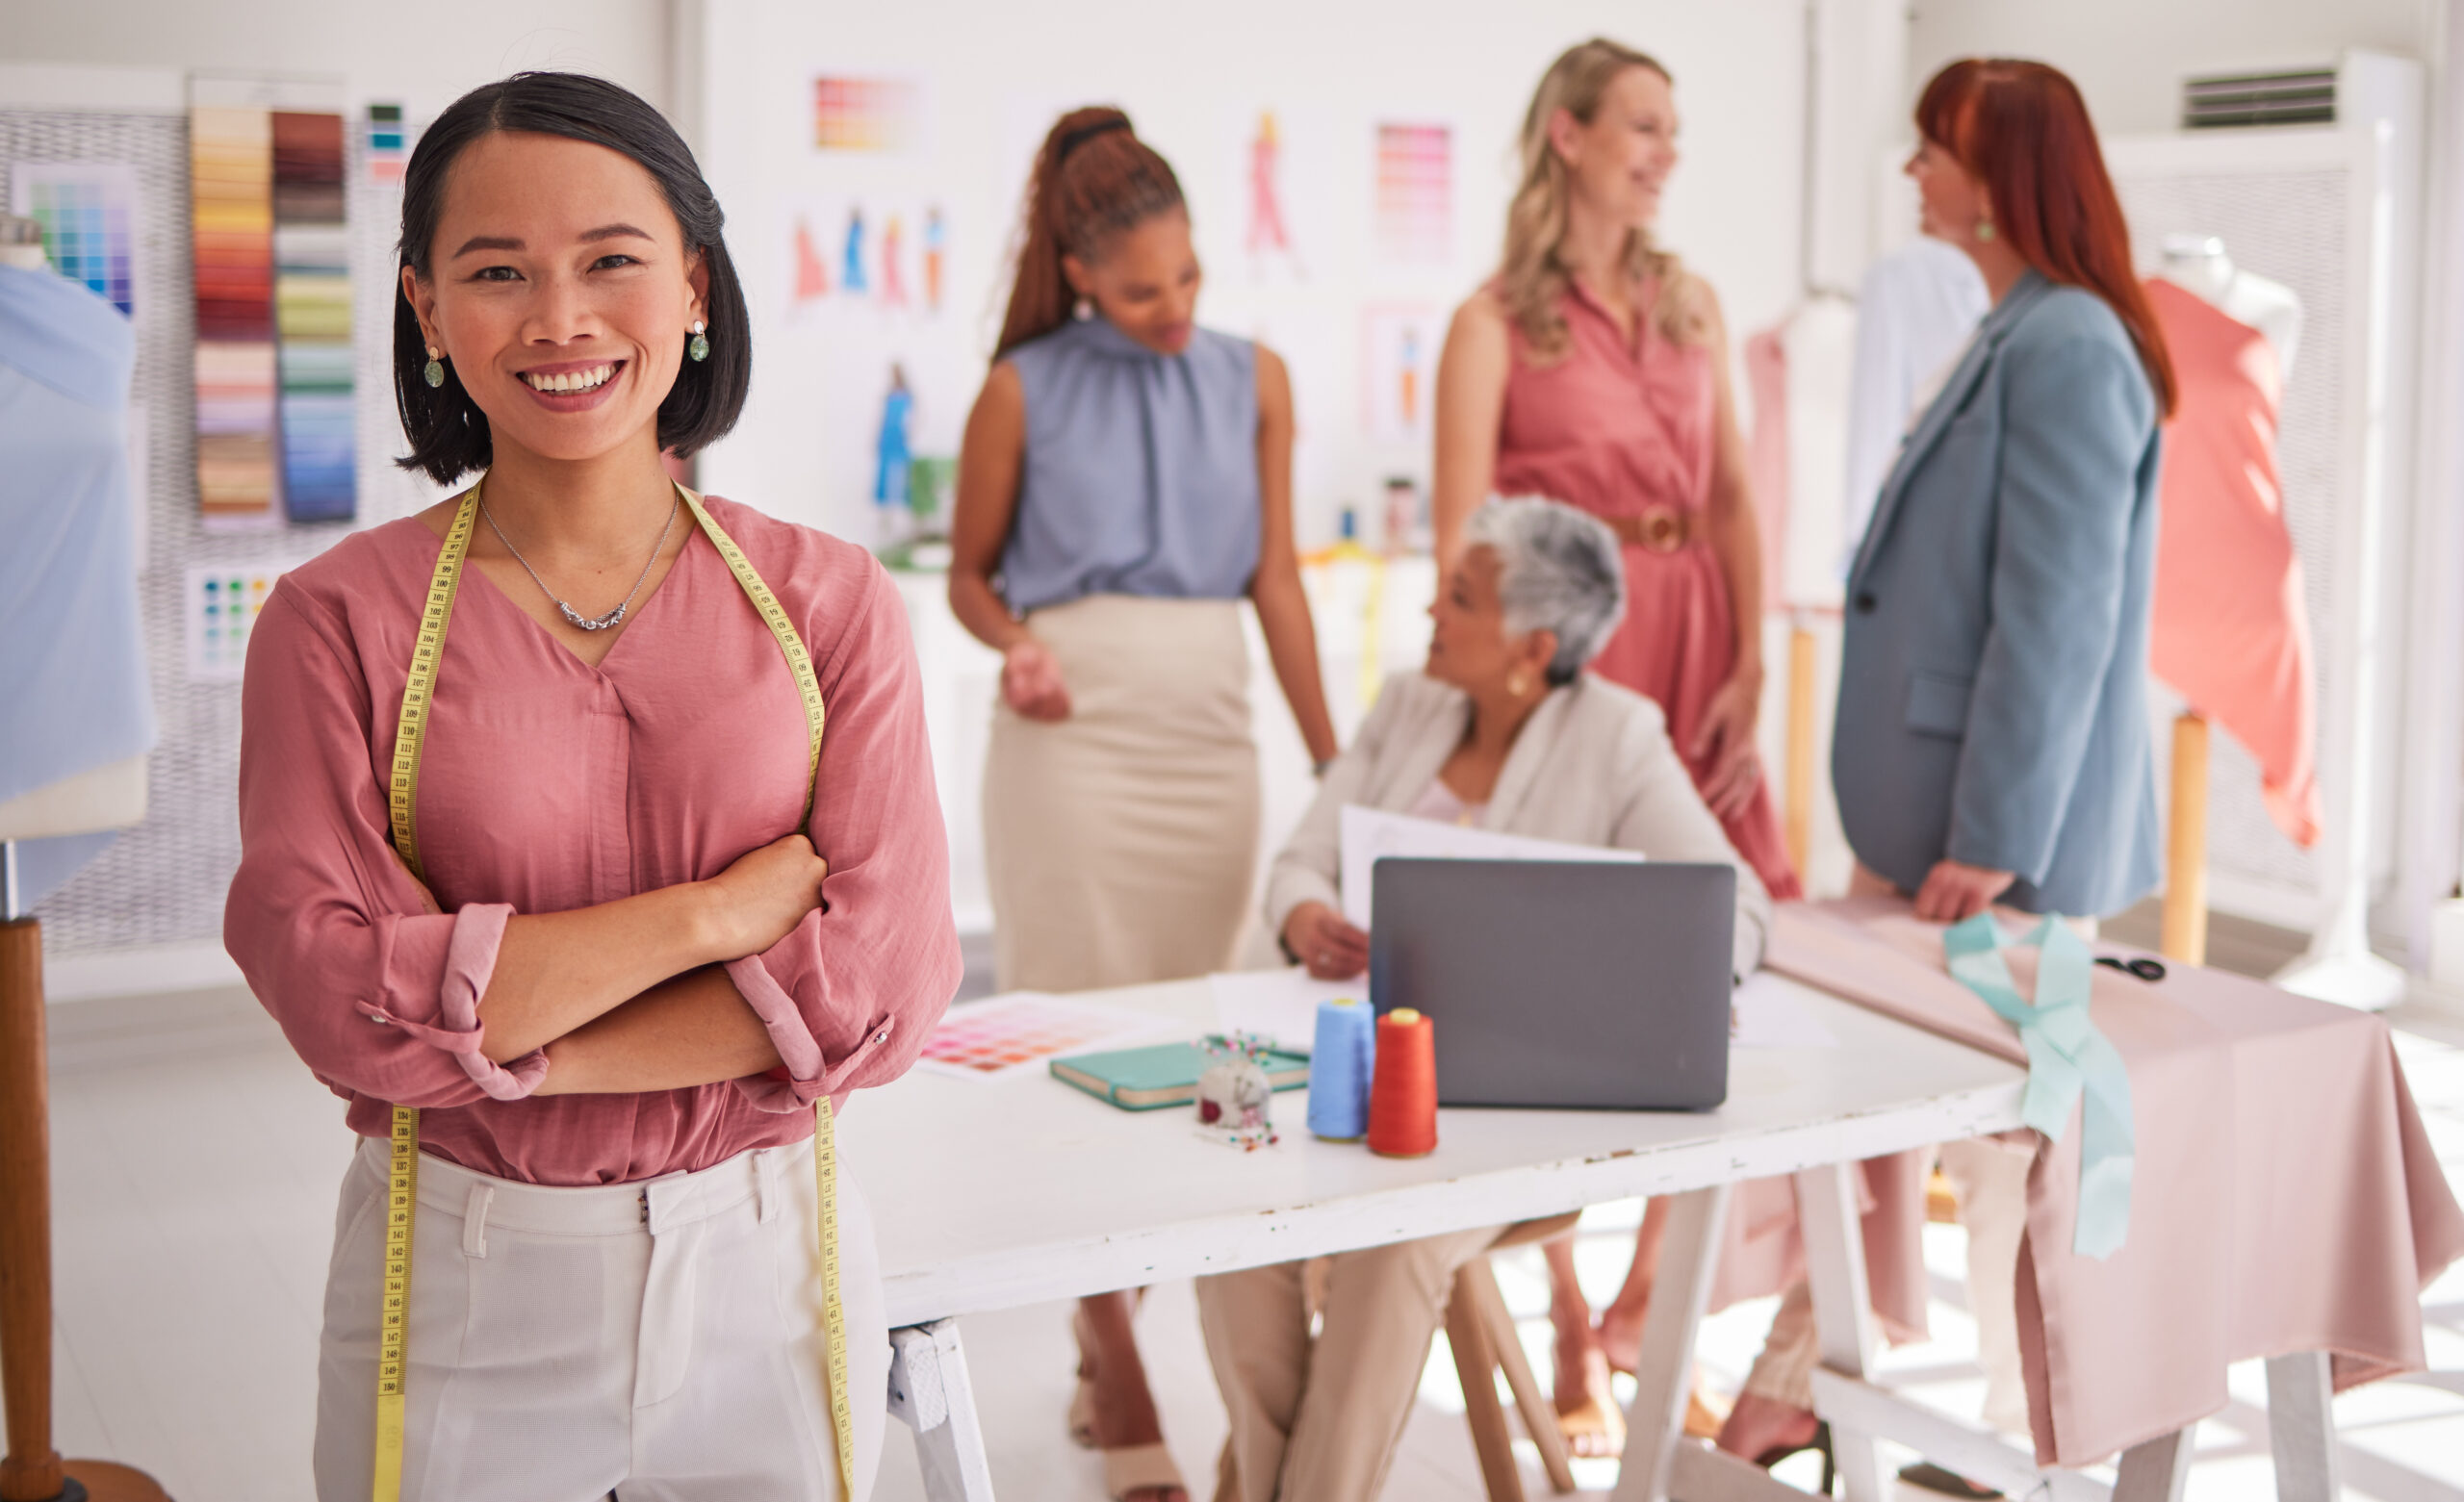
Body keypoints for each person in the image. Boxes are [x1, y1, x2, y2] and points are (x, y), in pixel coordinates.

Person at [223, 73, 961, 1502]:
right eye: (497, 273)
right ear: (428, 311)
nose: (559, 320)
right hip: (460, 1280)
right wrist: (718, 916)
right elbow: (342, 1003)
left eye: (610, 261)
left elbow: (882, 992)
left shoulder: (831, 606)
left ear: (693, 285)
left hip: (771, 1264)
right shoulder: (335, 624)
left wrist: (498, 1032)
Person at [1717, 58, 2173, 1485]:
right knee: (1907, 1119)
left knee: (2010, 1159)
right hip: (1940, 829)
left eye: (1934, 152)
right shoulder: (2012, 330)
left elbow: (2057, 614)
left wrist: (1992, 828)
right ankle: (1819, 1388)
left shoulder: (2069, 346)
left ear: (2000, 174)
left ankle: (2039, 1438)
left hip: (1991, 843)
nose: (1912, 172)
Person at [1200, 496, 1768, 1502]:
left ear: (1531, 645)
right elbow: (1297, 860)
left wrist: (1667, 976)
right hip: (1344, 1086)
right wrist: (1304, 916)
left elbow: (1738, 912)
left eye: (1460, 597)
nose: (1431, 609)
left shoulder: (1618, 736)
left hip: (1508, 1120)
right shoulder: (1407, 703)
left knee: (1397, 1234)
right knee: (1231, 1225)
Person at [948, 106, 1340, 1502]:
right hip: (1073, 738)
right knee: (1075, 1020)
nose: (1172, 311)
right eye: (1138, 290)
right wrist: (1019, 647)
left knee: (1221, 1042)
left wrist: (1334, 768)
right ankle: (1111, 1352)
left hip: (1208, 727)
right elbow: (969, 579)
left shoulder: (1257, 377)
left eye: (1188, 279)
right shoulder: (1022, 388)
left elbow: (1278, 579)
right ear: (1077, 272)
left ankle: (1207, 1311)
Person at [1429, 37, 1800, 1452]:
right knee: (1570, 986)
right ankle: (1574, 1319)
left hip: (1701, 642)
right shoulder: (1490, 325)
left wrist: (1755, 662)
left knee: (1706, 971)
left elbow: (1736, 501)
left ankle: (1655, 1311)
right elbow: (1470, 539)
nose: (1665, 150)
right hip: (1575, 662)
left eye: (1674, 128)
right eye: (1642, 125)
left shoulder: (1693, 306)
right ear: (1570, 137)